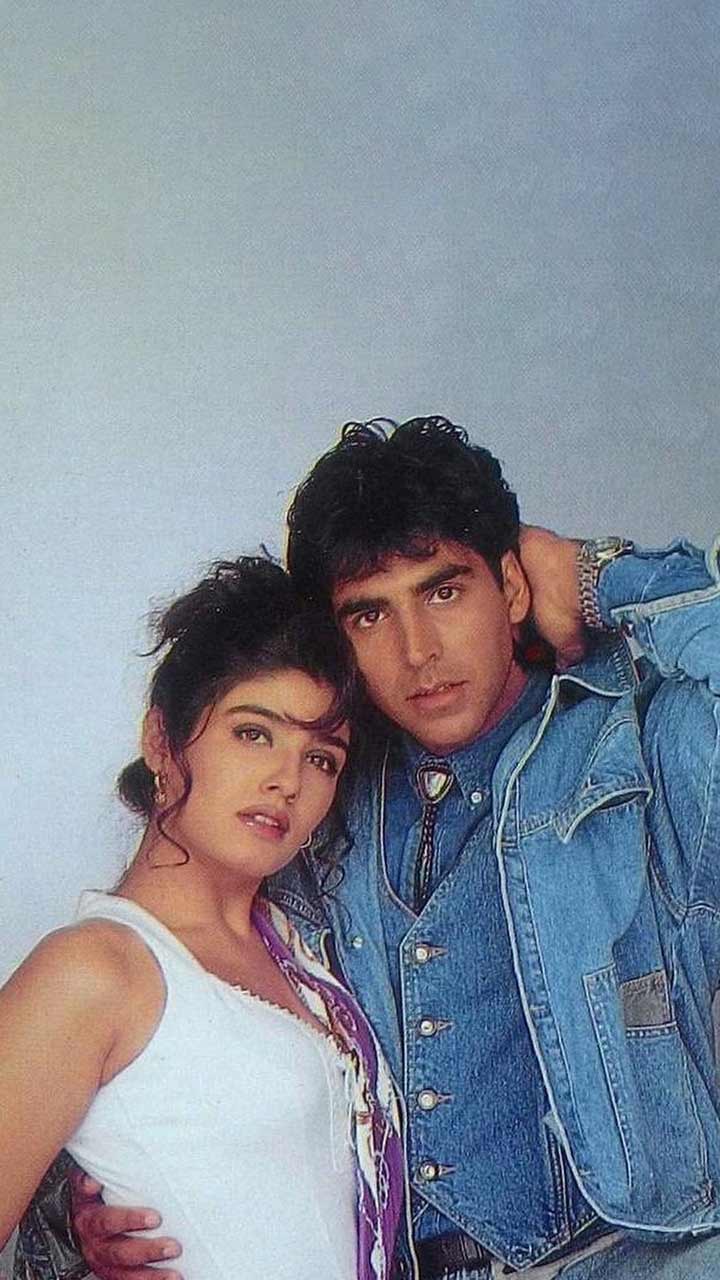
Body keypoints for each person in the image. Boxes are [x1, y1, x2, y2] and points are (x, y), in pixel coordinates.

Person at [16, 416, 720, 1280]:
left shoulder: (642, 748)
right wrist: (89, 1210)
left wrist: (597, 574)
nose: (418, 651)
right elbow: (178, 1065)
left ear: (511, 585)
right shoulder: (314, 801)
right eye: (369, 613)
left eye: (444, 592)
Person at [3, 556, 403, 1280]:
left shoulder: (302, 952)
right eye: (254, 733)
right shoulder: (95, 968)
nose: (287, 780)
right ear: (162, 742)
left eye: (322, 758)